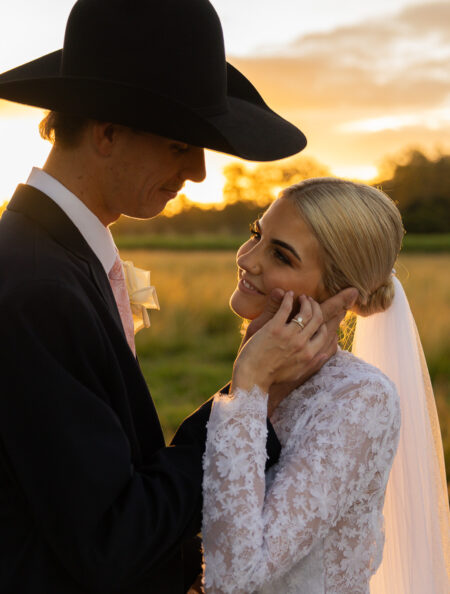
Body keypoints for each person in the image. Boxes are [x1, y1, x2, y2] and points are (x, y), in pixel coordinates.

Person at [0, 1, 356, 592]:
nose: (197, 172)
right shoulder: (39, 287)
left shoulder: (58, 258)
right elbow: (112, 540)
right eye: (178, 144)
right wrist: (247, 394)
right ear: (107, 131)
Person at [202, 178, 450, 593]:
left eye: (280, 255)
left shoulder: (360, 399)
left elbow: (235, 578)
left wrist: (248, 382)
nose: (247, 259)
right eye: (256, 235)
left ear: (339, 290)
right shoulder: (272, 374)